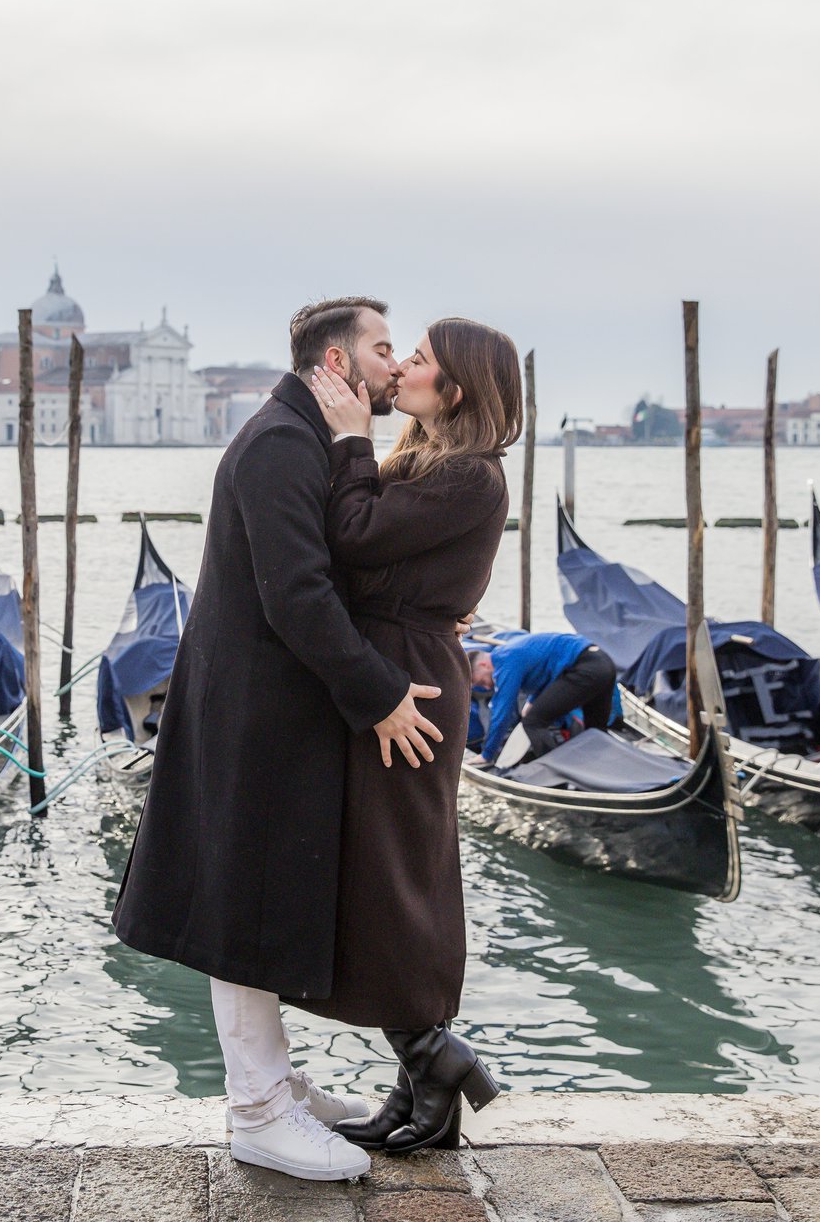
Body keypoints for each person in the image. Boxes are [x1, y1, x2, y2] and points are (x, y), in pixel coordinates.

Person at [113, 297, 446, 1183]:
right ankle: (258, 1112)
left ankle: (274, 1084)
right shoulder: (280, 445)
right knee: (241, 907)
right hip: (253, 712)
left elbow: (336, 566)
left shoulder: (301, 435)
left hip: (275, 707)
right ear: (337, 363)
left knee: (258, 902)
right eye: (383, 348)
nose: (394, 365)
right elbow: (297, 594)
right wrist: (381, 694)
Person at [300, 316, 520, 1156]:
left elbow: (356, 535)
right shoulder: (431, 464)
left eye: (418, 360)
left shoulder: (470, 475)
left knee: (397, 874)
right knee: (386, 871)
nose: (402, 369)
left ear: (455, 389)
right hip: (398, 663)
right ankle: (423, 1074)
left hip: (411, 683)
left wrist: (350, 440)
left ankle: (434, 1056)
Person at [471, 632, 621, 765]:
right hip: (604, 663)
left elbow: (502, 711)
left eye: (481, 682)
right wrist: (532, 701)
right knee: (595, 730)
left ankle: (557, 769)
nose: (486, 687)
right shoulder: (510, 651)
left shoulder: (505, 663)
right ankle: (603, 770)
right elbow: (547, 670)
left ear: (484, 665)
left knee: (533, 722)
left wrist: (487, 754)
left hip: (585, 668)